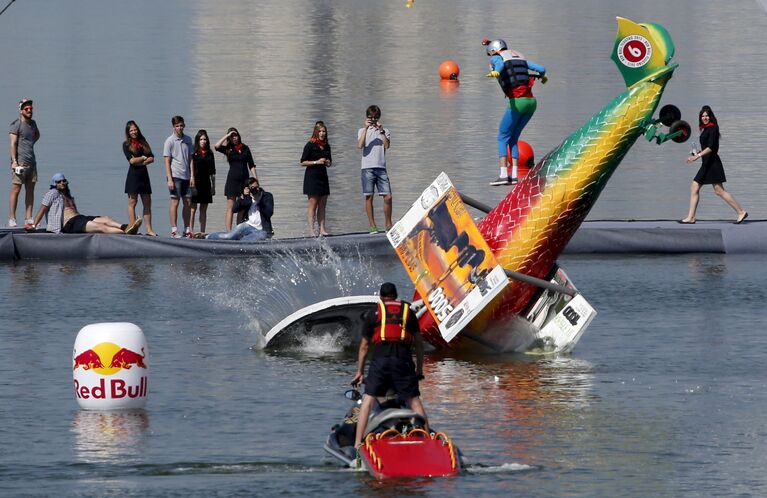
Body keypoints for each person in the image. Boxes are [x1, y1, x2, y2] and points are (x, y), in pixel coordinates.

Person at [350, 282, 427, 449]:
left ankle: (357, 444)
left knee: (368, 400)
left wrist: (360, 372)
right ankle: (427, 440)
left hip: (381, 361)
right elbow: (419, 345)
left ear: (381, 297)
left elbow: (364, 346)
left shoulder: (374, 313)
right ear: (396, 296)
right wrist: (419, 370)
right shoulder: (408, 312)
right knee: (414, 401)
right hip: (403, 360)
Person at [482, 38, 546, 186]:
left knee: (502, 136)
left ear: (493, 51)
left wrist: (496, 72)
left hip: (518, 102)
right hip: (531, 103)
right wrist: (542, 77)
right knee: (513, 138)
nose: (491, 58)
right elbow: (541, 69)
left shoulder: (497, 58)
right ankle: (514, 176)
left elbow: (499, 65)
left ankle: (504, 175)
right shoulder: (519, 56)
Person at [680, 106, 748, 225]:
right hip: (706, 163)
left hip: (713, 164)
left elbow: (711, 148)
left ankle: (741, 211)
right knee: (695, 187)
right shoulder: (705, 129)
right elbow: (705, 148)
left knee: (719, 191)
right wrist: (695, 154)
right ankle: (691, 217)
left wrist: (698, 156)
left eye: (706, 116)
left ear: (710, 117)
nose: (704, 118)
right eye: (702, 116)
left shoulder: (713, 129)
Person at [30, 173, 142, 234]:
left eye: (64, 180)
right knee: (101, 227)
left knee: (106, 219)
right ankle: (125, 234)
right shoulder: (52, 193)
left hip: (79, 218)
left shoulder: (67, 194)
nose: (62, 183)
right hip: (68, 224)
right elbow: (42, 210)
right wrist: (34, 225)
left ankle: (127, 227)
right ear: (54, 184)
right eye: (59, 181)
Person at [357, 105, 392, 233]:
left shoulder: (384, 131)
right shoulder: (362, 130)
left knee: (388, 197)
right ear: (367, 118)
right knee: (369, 197)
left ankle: (388, 224)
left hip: (381, 167)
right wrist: (366, 128)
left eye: (376, 118)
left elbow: (387, 146)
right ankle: (372, 226)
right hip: (367, 168)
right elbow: (360, 145)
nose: (373, 120)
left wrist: (381, 131)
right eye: (371, 118)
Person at [215, 127, 257, 231]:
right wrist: (227, 136)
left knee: (242, 207)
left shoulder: (245, 148)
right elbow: (216, 146)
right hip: (232, 181)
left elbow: (251, 165)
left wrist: (255, 179)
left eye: (236, 135)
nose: (234, 138)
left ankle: (239, 230)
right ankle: (229, 232)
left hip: (244, 181)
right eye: (232, 136)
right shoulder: (228, 149)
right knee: (231, 207)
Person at [206, 177, 273, 241]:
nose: (255, 190)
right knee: (229, 236)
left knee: (249, 240)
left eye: (256, 187)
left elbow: (269, 213)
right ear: (248, 189)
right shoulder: (247, 197)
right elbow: (234, 209)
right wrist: (241, 198)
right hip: (248, 225)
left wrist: (259, 201)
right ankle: (207, 237)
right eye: (252, 188)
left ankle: (239, 244)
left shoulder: (266, 196)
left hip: (262, 230)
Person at [8, 98, 40, 228]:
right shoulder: (16, 124)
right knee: (16, 189)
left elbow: (37, 135)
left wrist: (29, 143)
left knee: (30, 190)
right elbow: (13, 144)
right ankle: (12, 218)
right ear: (21, 111)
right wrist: (14, 162)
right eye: (26, 109)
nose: (29, 111)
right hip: (20, 163)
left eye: (31, 109)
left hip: (32, 163)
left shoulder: (33, 124)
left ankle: (28, 218)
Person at [163, 115, 195, 238]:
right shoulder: (169, 141)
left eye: (181, 125)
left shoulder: (188, 140)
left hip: (186, 176)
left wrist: (192, 176)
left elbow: (191, 159)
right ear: (173, 127)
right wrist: (169, 179)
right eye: (177, 126)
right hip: (175, 176)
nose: (179, 128)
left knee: (187, 202)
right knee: (175, 202)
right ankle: (174, 230)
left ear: (184, 125)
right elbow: (166, 161)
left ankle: (186, 229)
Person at [122, 120, 156, 236]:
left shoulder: (143, 141)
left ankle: (149, 230)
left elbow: (152, 157)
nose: (133, 132)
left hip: (144, 175)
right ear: (128, 132)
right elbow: (131, 161)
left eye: (135, 129)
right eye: (131, 130)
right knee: (132, 202)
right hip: (133, 176)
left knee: (147, 203)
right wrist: (142, 157)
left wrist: (142, 161)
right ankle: (132, 227)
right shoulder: (126, 144)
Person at [301, 121, 332, 236]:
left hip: (323, 176)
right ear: (316, 132)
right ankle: (311, 230)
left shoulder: (326, 145)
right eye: (320, 131)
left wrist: (328, 162)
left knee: (323, 203)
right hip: (312, 176)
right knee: (313, 203)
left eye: (324, 131)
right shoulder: (310, 145)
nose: (322, 133)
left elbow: (329, 161)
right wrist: (316, 162)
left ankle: (322, 229)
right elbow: (303, 162)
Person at [190, 129, 216, 233]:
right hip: (196, 182)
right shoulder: (194, 153)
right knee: (193, 209)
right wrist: (191, 179)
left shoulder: (210, 153)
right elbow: (190, 167)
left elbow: (213, 172)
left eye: (205, 139)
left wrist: (213, 187)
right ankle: (190, 231)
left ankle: (202, 232)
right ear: (198, 140)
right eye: (201, 139)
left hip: (206, 183)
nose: (203, 141)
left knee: (203, 209)